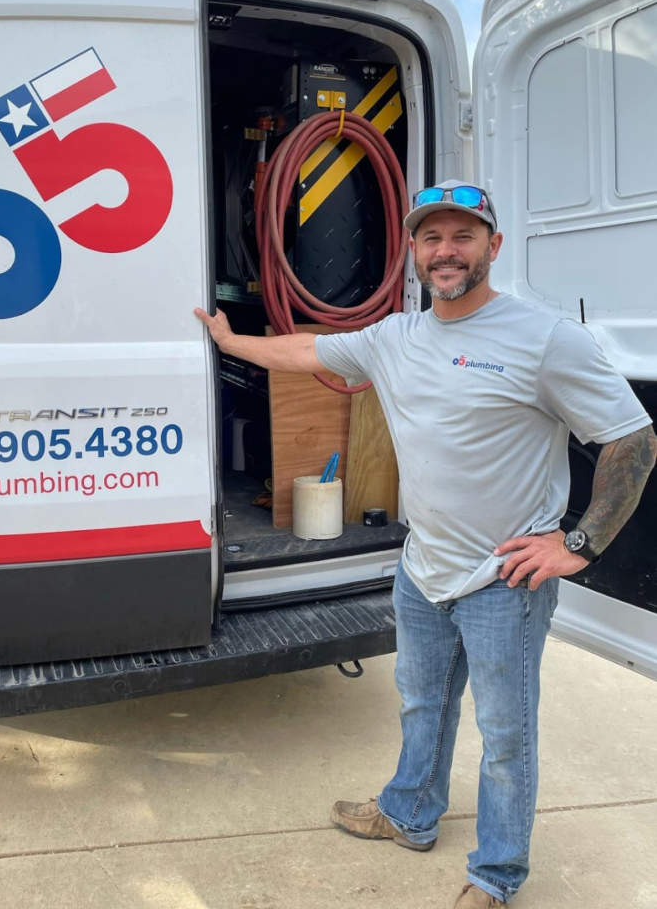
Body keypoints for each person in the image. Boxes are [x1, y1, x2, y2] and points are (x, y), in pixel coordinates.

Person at [194, 180, 656, 907]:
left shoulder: (543, 339)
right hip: (422, 569)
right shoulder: (394, 338)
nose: (446, 251)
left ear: (491, 248)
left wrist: (580, 546)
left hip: (502, 581)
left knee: (505, 741)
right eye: (431, 238)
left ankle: (496, 876)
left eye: (463, 236)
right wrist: (228, 341)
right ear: (413, 251)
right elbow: (308, 348)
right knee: (420, 706)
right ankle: (408, 813)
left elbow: (631, 438)